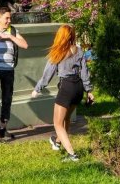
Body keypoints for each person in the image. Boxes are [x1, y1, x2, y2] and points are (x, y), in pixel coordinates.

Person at [31, 25, 94, 161]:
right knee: (66, 119)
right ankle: (58, 141)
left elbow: (48, 74)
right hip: (78, 89)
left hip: (66, 87)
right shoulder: (79, 51)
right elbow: (85, 73)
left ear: (60, 36)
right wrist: (89, 91)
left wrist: (37, 89)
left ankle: (72, 155)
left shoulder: (58, 51)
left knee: (57, 123)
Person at [0, 7, 28, 138]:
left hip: (8, 70)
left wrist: (10, 37)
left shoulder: (13, 31)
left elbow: (25, 45)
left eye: (10, 18)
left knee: (7, 99)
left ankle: (3, 128)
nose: (9, 20)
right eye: (7, 18)